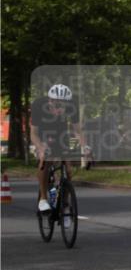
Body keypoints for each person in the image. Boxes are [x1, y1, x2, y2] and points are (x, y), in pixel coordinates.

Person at [30, 83, 88, 212]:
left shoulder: (72, 107)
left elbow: (78, 131)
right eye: (57, 105)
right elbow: (33, 133)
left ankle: (65, 204)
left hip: (60, 133)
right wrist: (40, 147)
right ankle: (43, 199)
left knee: (68, 169)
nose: (60, 109)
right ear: (50, 101)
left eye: (63, 106)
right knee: (45, 160)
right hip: (43, 133)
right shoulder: (38, 105)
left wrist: (86, 147)